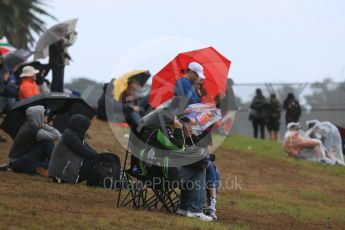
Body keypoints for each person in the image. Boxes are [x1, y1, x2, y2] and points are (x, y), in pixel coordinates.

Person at [181, 117, 220, 220]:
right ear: (182, 126)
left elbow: (204, 149)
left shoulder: (191, 137)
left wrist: (194, 136)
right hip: (183, 169)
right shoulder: (180, 137)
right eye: (189, 126)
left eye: (192, 126)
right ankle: (205, 206)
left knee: (214, 170)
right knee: (205, 168)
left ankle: (211, 203)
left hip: (188, 165)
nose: (191, 128)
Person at [8, 105, 61, 177]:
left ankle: (46, 166)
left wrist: (42, 124)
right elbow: (57, 135)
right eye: (44, 114)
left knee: (45, 146)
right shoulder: (35, 131)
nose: (46, 116)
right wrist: (45, 125)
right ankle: (54, 165)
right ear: (38, 116)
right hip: (19, 162)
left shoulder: (29, 124)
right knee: (47, 143)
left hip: (17, 161)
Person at [48, 114, 99, 183]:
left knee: (94, 158)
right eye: (85, 127)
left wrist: (98, 155)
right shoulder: (70, 136)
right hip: (61, 175)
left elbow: (88, 149)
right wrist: (98, 156)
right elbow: (84, 151)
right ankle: (97, 182)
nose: (86, 130)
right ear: (81, 126)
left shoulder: (72, 134)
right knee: (94, 161)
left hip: (62, 172)